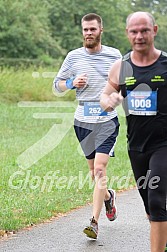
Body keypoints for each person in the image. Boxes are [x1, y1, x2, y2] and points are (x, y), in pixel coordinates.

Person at [100, 11, 167, 252]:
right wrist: (110, 100)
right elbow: (104, 96)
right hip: (137, 146)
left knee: (158, 198)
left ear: (154, 31)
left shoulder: (165, 64)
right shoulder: (121, 66)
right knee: (150, 206)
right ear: (128, 34)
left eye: (144, 30)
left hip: (164, 144)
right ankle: (162, 236)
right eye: (134, 31)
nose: (139, 36)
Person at [53, 13, 122, 239]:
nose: (89, 33)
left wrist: (117, 98)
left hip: (106, 120)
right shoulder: (73, 57)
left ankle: (94, 222)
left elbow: (124, 83)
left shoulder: (114, 55)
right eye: (85, 30)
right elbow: (57, 86)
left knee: (101, 169)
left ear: (101, 30)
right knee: (93, 173)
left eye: (93, 29)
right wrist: (72, 83)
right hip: (82, 119)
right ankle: (108, 198)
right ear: (82, 32)